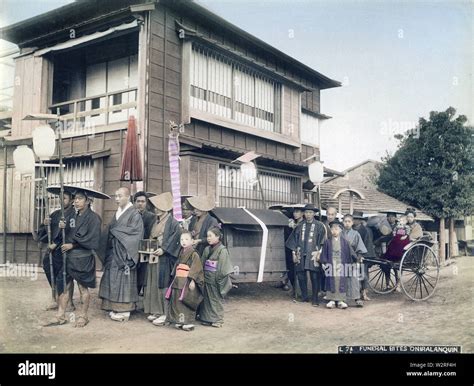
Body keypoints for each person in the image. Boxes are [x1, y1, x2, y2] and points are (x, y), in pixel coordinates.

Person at [45, 188, 104, 327]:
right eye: (75, 199)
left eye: (80, 198)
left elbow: (92, 240)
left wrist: (73, 245)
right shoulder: (72, 217)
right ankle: (60, 315)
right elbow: (64, 236)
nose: (76, 201)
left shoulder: (94, 218)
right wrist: (62, 228)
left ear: (88, 201)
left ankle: (83, 316)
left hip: (83, 258)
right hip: (68, 258)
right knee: (64, 286)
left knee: (83, 288)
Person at [99, 187, 144, 322]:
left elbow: (136, 234)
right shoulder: (118, 212)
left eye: (119, 196)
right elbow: (111, 229)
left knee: (124, 281)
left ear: (128, 197)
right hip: (114, 252)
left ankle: (125, 311)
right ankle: (113, 306)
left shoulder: (134, 214)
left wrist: (116, 232)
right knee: (112, 279)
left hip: (125, 254)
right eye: (115, 196)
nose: (117, 199)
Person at [144, 192, 181, 326]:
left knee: (163, 284)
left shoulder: (173, 223)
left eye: (159, 207)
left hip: (165, 258)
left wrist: (164, 249)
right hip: (154, 255)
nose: (156, 209)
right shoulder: (156, 221)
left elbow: (175, 239)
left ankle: (165, 313)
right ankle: (157, 310)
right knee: (153, 283)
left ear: (166, 208)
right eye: (155, 207)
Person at [38, 191, 76, 311]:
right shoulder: (55, 214)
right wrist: (45, 224)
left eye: (64, 198)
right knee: (49, 268)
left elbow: (73, 233)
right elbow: (45, 233)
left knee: (65, 275)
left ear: (71, 200)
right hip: (53, 249)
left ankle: (69, 302)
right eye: (60, 198)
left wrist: (56, 243)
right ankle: (55, 298)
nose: (61, 201)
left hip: (67, 248)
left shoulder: (75, 215)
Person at [285, 204, 327, 307]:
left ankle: (315, 299)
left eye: (311, 212)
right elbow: (293, 240)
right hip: (300, 252)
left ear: (314, 214)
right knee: (301, 275)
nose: (308, 215)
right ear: (304, 213)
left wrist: (320, 253)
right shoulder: (299, 226)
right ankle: (304, 296)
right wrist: (293, 253)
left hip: (313, 253)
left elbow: (323, 241)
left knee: (314, 275)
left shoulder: (320, 225)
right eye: (307, 212)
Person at [166, 231, 204, 331]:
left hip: (188, 280)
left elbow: (196, 268)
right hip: (178, 279)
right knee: (177, 301)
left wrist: (193, 280)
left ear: (192, 241)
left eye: (186, 239)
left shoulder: (194, 254)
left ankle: (188, 322)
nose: (184, 241)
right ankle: (179, 320)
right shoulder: (181, 252)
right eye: (182, 239)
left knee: (186, 299)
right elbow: (176, 267)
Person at [199, 227, 234, 328]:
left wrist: (218, 279)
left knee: (215, 299)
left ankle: (218, 319)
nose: (208, 238)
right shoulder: (207, 249)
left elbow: (223, 267)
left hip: (216, 278)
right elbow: (202, 263)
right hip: (207, 277)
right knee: (206, 299)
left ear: (218, 237)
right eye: (207, 236)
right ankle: (207, 318)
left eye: (210, 236)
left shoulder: (222, 250)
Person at [320, 220, 353, 309]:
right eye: (332, 229)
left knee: (341, 281)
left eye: (337, 229)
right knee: (331, 280)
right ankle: (331, 299)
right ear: (330, 230)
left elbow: (348, 254)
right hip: (331, 263)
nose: (334, 231)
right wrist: (324, 263)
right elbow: (324, 253)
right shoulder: (327, 242)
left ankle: (341, 300)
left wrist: (348, 264)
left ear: (341, 230)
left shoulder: (345, 242)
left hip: (341, 264)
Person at [133, 191, 157, 295]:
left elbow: (151, 233)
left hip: (145, 248)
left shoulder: (152, 216)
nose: (140, 204)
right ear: (134, 202)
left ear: (146, 203)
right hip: (132, 247)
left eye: (143, 201)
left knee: (143, 272)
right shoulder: (130, 215)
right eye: (138, 201)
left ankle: (141, 293)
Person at [342, 214, 367, 307]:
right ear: (343, 222)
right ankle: (342, 298)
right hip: (342, 259)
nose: (347, 223)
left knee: (354, 279)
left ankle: (357, 298)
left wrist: (358, 259)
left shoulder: (356, 234)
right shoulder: (340, 233)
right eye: (345, 221)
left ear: (352, 223)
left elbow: (360, 248)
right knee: (343, 279)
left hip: (353, 259)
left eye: (349, 221)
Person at [278, 205, 304, 291]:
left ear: (302, 213)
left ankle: (301, 290)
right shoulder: (291, 223)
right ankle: (294, 288)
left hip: (301, 249)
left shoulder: (304, 224)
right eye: (294, 212)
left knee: (300, 271)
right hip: (291, 249)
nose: (295, 214)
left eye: (297, 212)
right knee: (291, 270)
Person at [352, 211, 375, 301]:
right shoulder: (351, 229)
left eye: (357, 219)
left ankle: (364, 292)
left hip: (363, 254)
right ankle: (355, 292)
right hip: (353, 254)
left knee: (363, 274)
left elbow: (367, 244)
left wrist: (361, 255)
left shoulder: (365, 230)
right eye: (354, 219)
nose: (355, 221)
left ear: (360, 220)